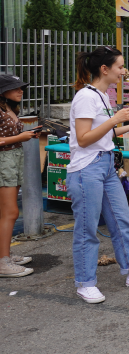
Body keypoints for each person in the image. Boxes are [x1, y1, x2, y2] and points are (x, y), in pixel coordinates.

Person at [69, 46, 129, 303]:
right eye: (120, 67)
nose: (123, 72)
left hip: (106, 165)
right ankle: (85, 283)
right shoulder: (86, 97)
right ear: (105, 69)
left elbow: (102, 134)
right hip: (86, 169)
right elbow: (83, 138)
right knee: (87, 229)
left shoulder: (102, 96)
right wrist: (116, 120)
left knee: (122, 221)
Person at [0, 74, 38, 278]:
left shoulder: (9, 108)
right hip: (4, 161)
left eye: (22, 87)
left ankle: (4, 255)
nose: (20, 90)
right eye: (15, 87)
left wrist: (28, 135)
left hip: (13, 160)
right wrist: (20, 137)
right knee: (10, 212)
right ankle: (3, 262)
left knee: (8, 211)